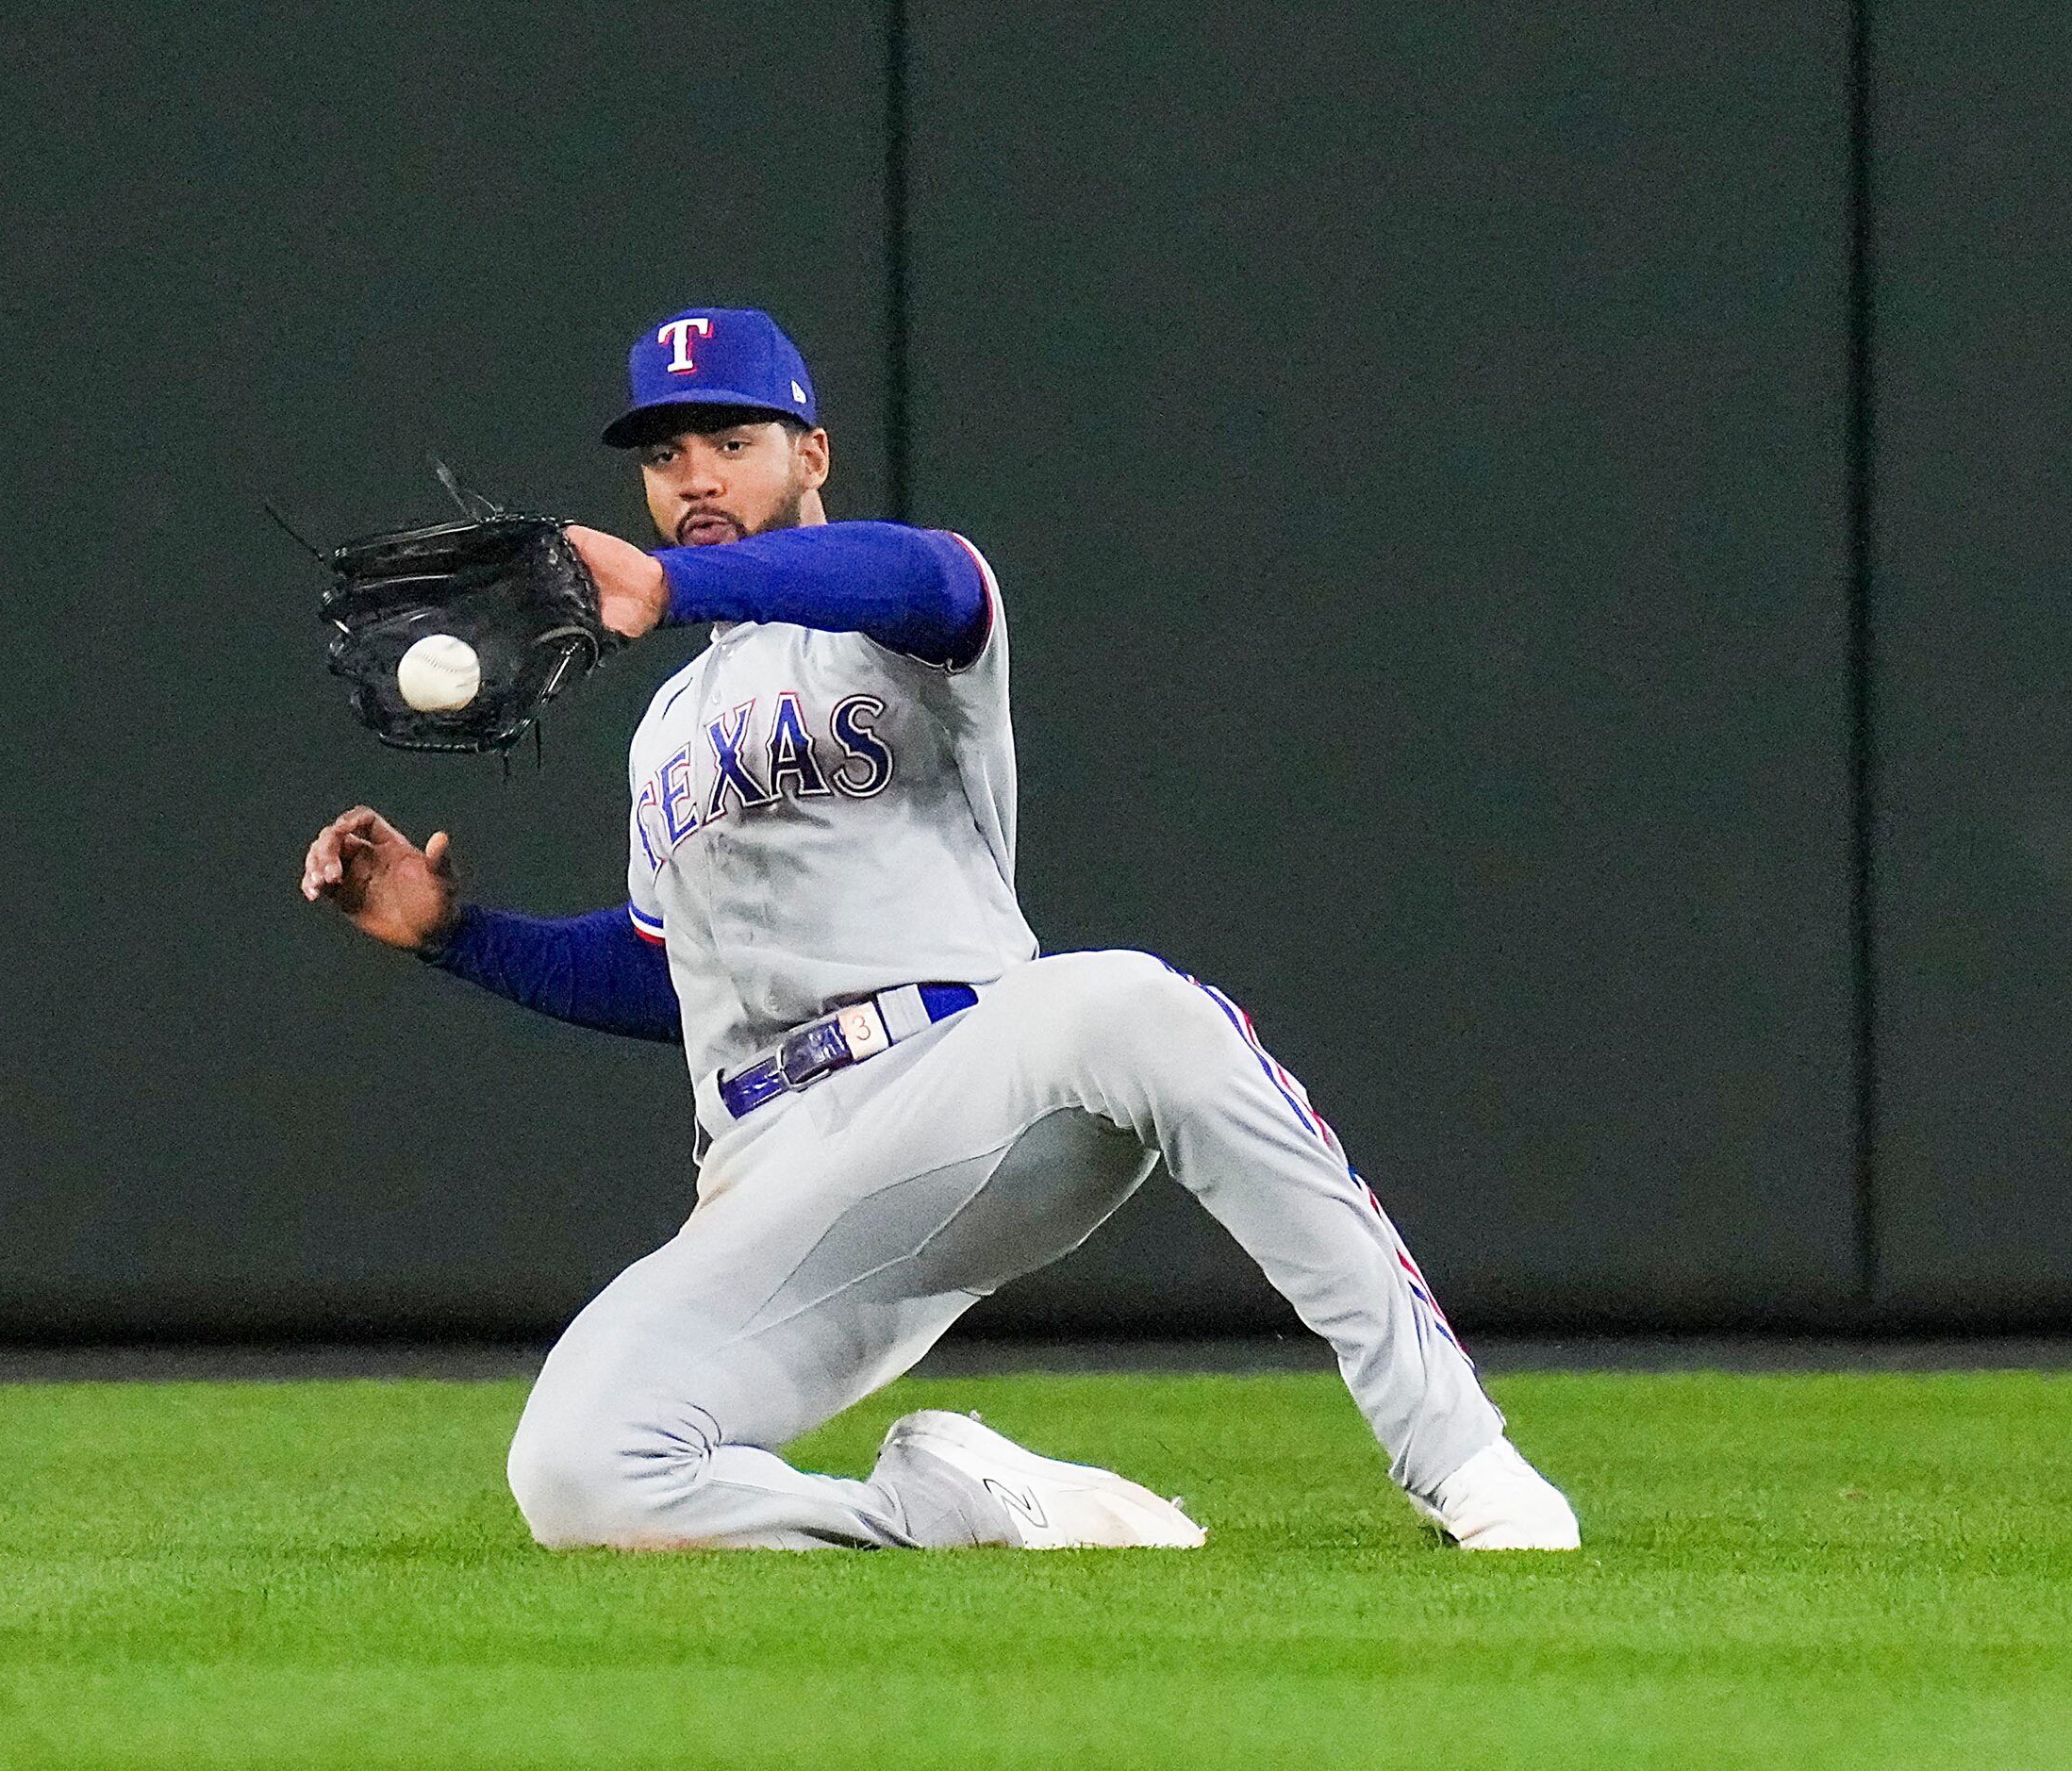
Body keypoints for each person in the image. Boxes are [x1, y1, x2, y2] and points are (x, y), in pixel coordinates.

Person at [300, 306, 1580, 1551]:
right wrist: (454, 931)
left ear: (811, 452)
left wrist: (674, 584)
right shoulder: (664, 728)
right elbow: (665, 972)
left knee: (1137, 1007)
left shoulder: (902, 614)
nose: (694, 475)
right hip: (769, 1168)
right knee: (573, 1474)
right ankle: (956, 1508)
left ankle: (1460, 1454)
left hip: (965, 1079)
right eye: (663, 453)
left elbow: (916, 574)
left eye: (731, 440)